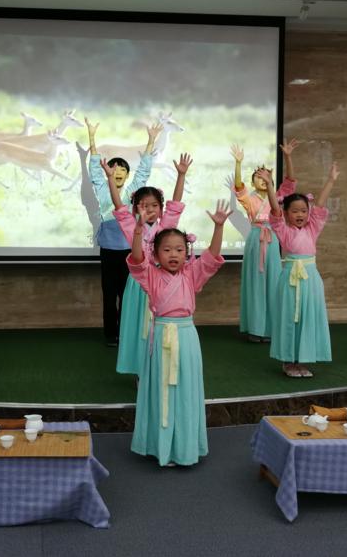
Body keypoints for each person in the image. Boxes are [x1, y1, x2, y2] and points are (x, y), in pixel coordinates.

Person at [127, 200, 230, 467]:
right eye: (167, 250)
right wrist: (138, 231)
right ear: (155, 254)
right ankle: (160, 447)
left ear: (187, 252)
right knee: (161, 391)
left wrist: (219, 227)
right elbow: (136, 260)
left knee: (185, 391)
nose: (173, 254)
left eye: (179, 249)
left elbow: (211, 257)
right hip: (161, 335)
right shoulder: (150, 275)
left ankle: (184, 447)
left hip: (185, 338)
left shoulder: (191, 275)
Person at [102, 153, 191, 377]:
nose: (149, 210)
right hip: (138, 286)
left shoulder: (166, 226)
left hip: (161, 285)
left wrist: (181, 175)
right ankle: (139, 370)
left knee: (159, 328)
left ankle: (159, 367)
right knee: (137, 329)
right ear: (134, 209)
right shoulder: (131, 226)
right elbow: (118, 204)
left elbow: (175, 204)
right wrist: (110, 179)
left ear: (161, 209)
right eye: (143, 206)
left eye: (154, 205)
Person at [256, 161, 339, 378]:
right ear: (286, 214)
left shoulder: (313, 228)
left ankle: (303, 360)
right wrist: (270, 185)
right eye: (294, 211)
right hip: (290, 278)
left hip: (311, 278)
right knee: (289, 317)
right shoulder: (282, 229)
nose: (300, 214)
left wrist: (331, 181)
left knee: (308, 317)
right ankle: (288, 361)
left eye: (303, 211)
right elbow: (274, 210)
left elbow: (320, 205)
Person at [87, 118, 160, 346]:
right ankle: (111, 334)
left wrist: (151, 140)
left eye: (123, 170)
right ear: (108, 172)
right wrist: (91, 137)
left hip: (130, 252)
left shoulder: (132, 192)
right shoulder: (102, 188)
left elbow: (143, 173)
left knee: (128, 295)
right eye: (114, 169)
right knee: (109, 294)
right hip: (108, 251)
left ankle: (127, 332)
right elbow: (94, 170)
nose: (118, 172)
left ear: (127, 175)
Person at [232, 139, 298, 342]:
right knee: (255, 283)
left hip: (273, 238)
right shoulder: (250, 199)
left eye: (266, 177)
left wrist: (288, 157)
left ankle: (270, 329)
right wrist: (238, 163)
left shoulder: (278, 197)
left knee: (274, 282)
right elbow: (238, 187)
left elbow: (291, 181)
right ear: (253, 183)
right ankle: (255, 328)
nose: (262, 180)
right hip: (256, 239)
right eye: (258, 178)